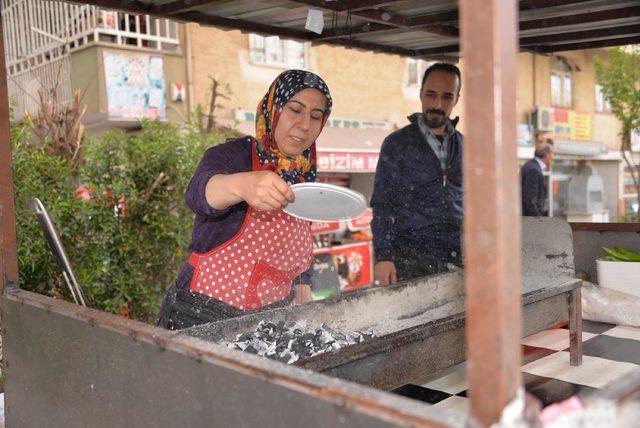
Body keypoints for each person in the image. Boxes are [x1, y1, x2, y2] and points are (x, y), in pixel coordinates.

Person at [157, 70, 332, 330]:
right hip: (203, 314)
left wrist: (303, 284)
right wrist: (241, 184)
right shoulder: (232, 156)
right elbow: (197, 194)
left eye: (316, 116)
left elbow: (299, 243)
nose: (305, 125)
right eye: (295, 110)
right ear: (274, 108)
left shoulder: (305, 174)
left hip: (269, 322)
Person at [371, 63, 463, 286]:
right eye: (431, 95)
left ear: (457, 99)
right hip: (409, 260)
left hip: (456, 259)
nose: (438, 104)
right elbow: (382, 204)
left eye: (447, 97)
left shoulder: (464, 145)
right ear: (421, 93)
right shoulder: (396, 144)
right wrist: (383, 256)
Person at [521, 139, 553, 217]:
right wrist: (537, 219)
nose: (552, 157)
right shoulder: (533, 170)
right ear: (547, 155)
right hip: (530, 220)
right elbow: (529, 200)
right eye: (552, 154)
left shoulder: (532, 166)